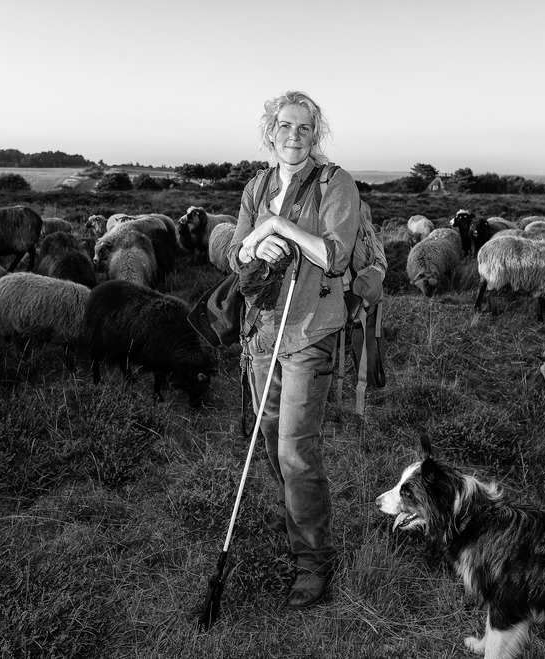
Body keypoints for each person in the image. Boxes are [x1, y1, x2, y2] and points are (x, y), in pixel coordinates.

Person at [227, 91, 361, 609]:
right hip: (262, 332)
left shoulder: (337, 184)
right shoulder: (256, 185)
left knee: (295, 451)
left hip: (308, 332)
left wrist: (280, 227)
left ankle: (313, 563)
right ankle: (298, 525)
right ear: (271, 131)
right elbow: (236, 255)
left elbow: (333, 254)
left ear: (316, 134)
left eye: (305, 128)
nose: (294, 135)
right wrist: (254, 245)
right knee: (271, 443)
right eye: (285, 126)